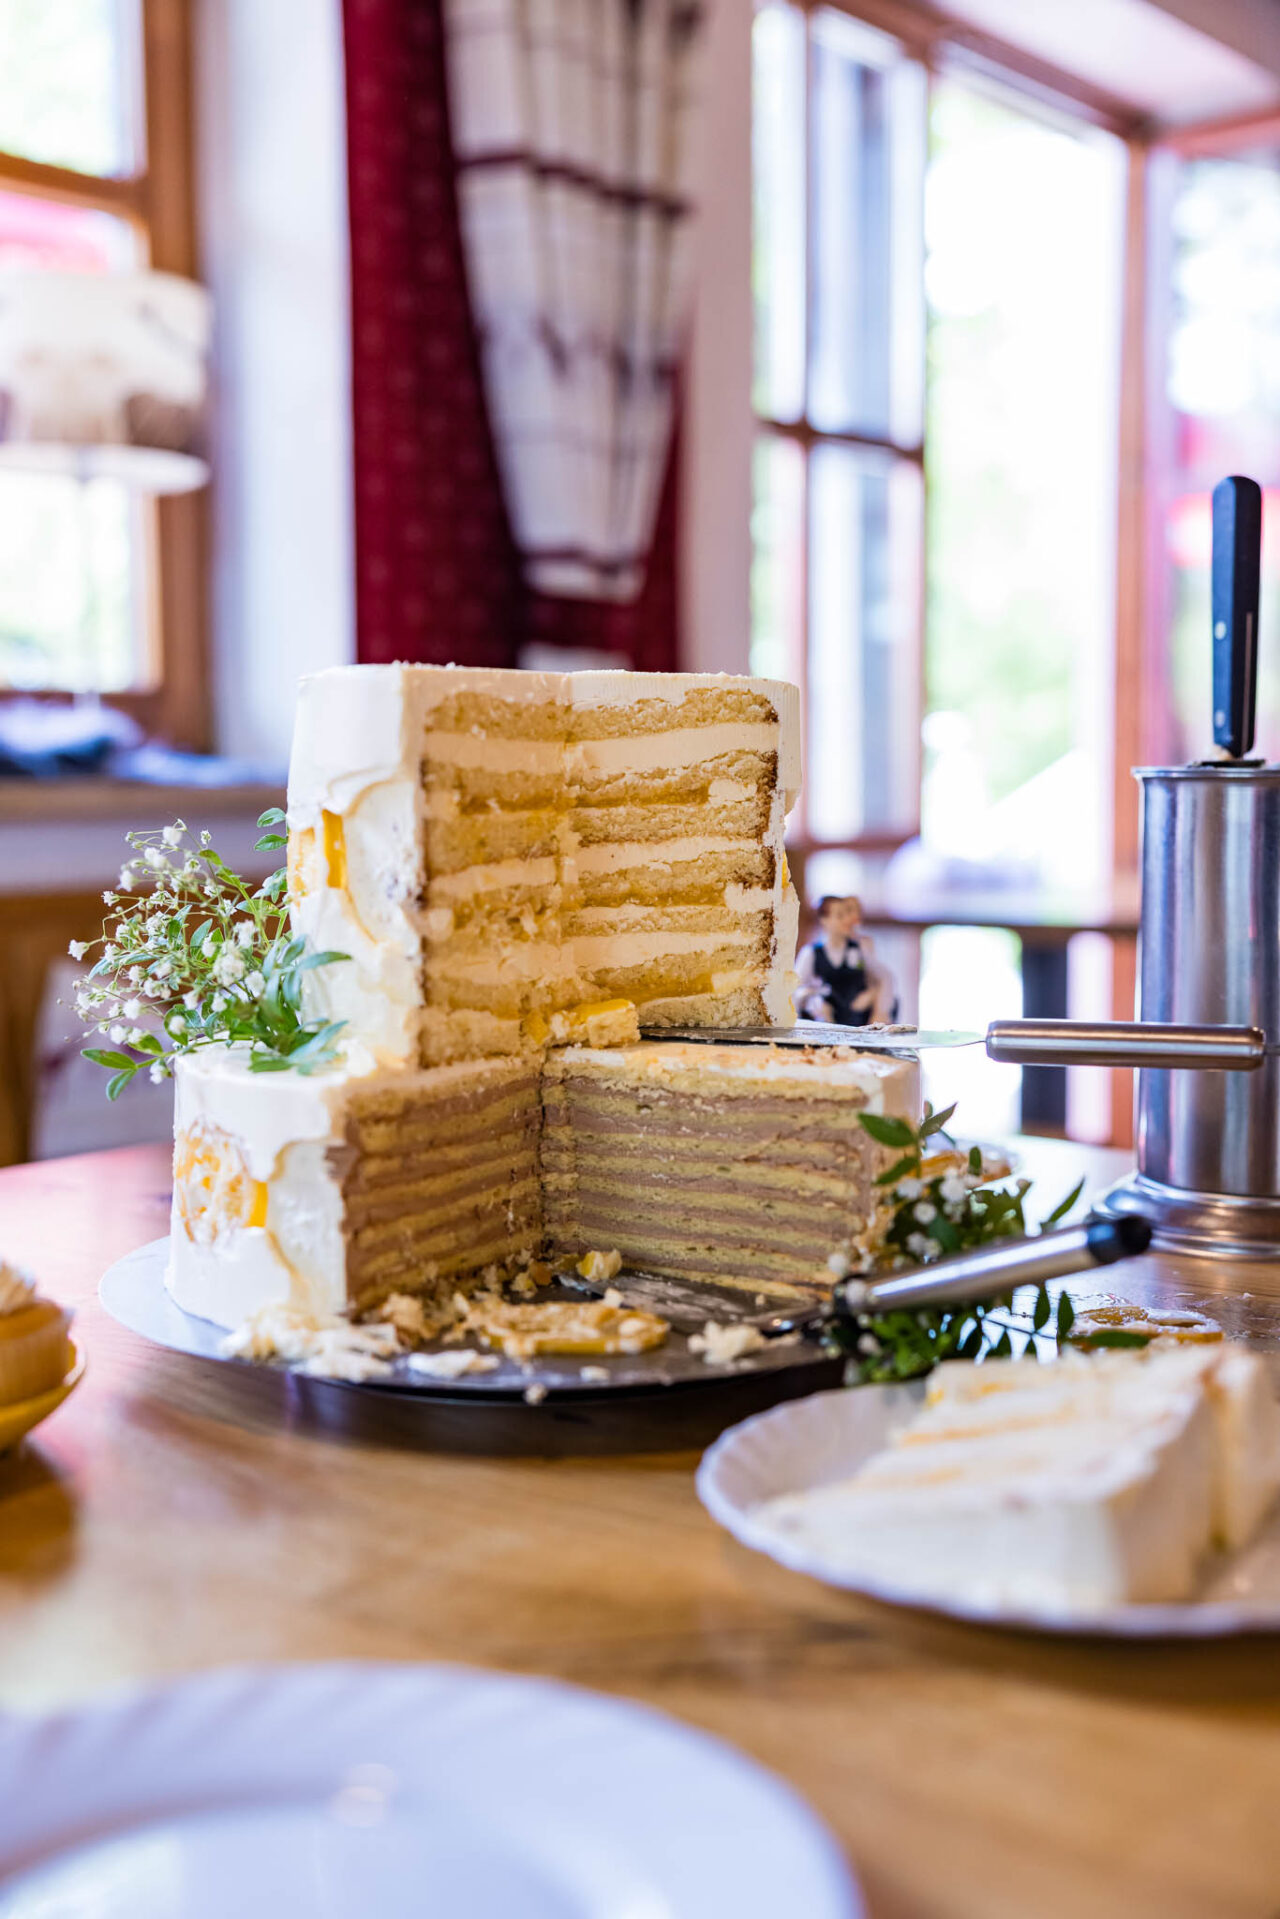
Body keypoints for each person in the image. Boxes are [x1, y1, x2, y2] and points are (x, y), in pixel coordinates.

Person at [795, 895, 897, 1028]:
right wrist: (813, 1000)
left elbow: (885, 977)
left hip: (858, 1023)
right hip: (825, 1026)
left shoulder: (859, 948)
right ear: (824, 920)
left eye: (847, 914)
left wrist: (878, 1007)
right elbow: (795, 990)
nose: (847, 920)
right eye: (839, 916)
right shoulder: (811, 953)